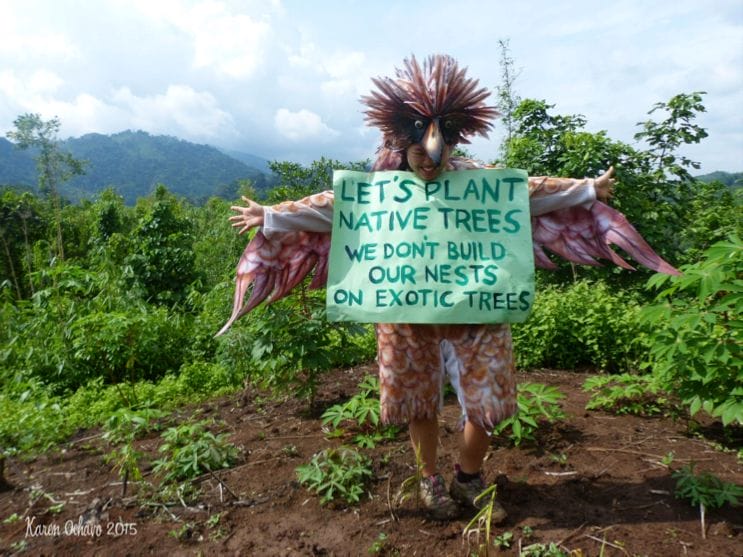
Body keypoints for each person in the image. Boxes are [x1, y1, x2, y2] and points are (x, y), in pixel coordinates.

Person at [224, 55, 673, 521]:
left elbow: (529, 192)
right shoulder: (381, 190)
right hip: (405, 312)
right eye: (418, 150)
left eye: (437, 150)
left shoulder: (478, 181)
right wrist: (272, 215)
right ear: (401, 145)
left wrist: (585, 190)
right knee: (418, 402)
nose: (429, 160)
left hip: (476, 309)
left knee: (489, 402)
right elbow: (332, 209)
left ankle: (468, 478)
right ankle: (429, 480)